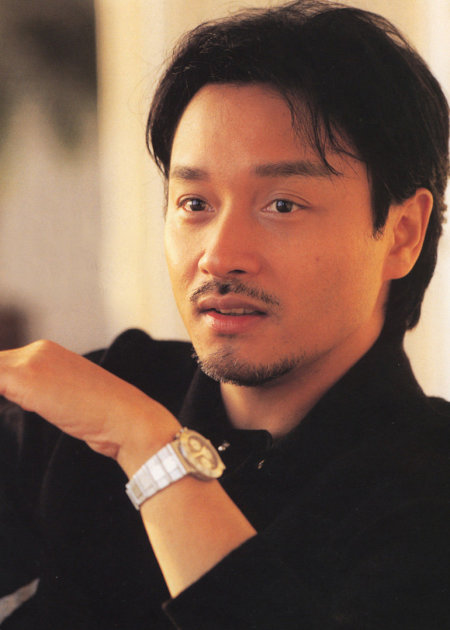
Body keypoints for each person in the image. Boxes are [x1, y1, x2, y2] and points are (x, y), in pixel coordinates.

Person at [0, 1, 449, 628]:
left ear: (402, 233)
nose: (219, 255)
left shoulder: (429, 491)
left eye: (283, 205)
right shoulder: (105, 392)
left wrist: (148, 449)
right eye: (194, 203)